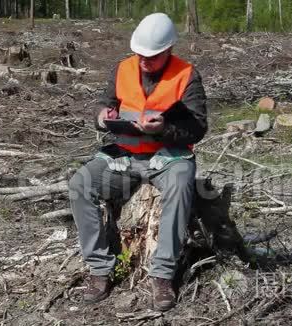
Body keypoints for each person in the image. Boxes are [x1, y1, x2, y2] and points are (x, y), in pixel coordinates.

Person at [68, 12, 207, 312]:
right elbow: (106, 103)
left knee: (182, 184)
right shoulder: (122, 69)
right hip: (123, 156)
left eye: (152, 56)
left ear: (169, 50)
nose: (144, 61)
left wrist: (164, 129)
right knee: (81, 184)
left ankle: (162, 275)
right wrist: (102, 117)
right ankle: (99, 270)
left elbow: (198, 127)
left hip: (170, 157)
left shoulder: (187, 75)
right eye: (140, 54)